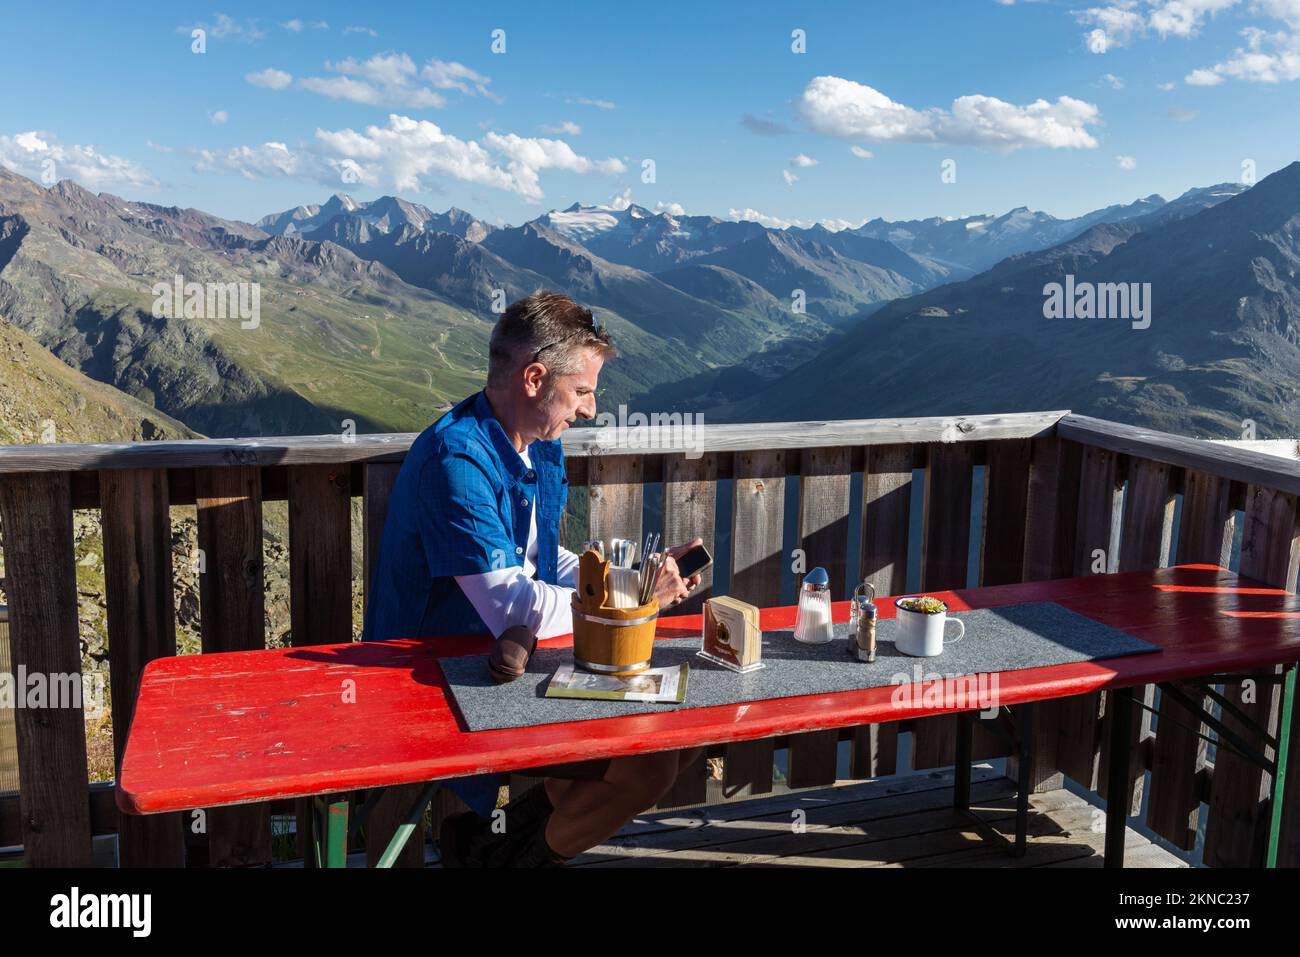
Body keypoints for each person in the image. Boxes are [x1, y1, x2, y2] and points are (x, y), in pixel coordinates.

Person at [362, 289, 706, 866]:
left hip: (507, 668)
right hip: (435, 683)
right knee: (647, 759)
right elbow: (512, 607)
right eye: (582, 391)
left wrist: (627, 576)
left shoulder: (537, 446)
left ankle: (489, 849)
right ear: (535, 378)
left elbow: (544, 564)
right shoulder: (458, 460)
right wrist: (637, 596)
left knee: (685, 735)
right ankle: (500, 859)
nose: (590, 409)